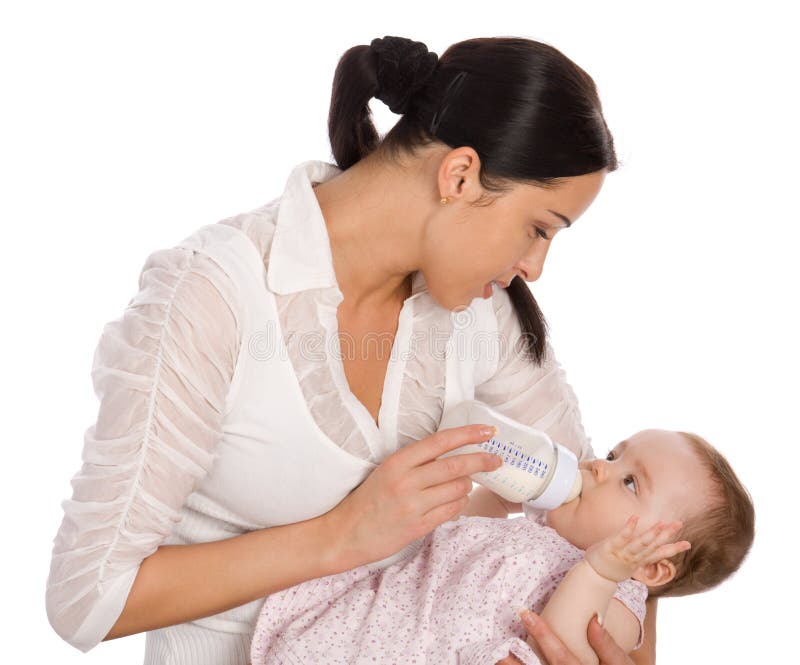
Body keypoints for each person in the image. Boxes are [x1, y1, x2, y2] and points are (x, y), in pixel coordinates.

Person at [45, 35, 648, 664]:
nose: (535, 266)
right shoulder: (214, 298)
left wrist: (623, 651)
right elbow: (87, 599)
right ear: (461, 175)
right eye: (538, 228)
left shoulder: (480, 312)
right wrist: (342, 537)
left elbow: (614, 517)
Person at [246, 428, 755, 664]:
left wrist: (601, 571)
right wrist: (494, 496)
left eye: (629, 483)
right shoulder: (537, 529)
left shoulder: (620, 601)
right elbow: (449, 543)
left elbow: (566, 642)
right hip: (372, 629)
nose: (599, 466)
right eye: (613, 454)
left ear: (654, 569)